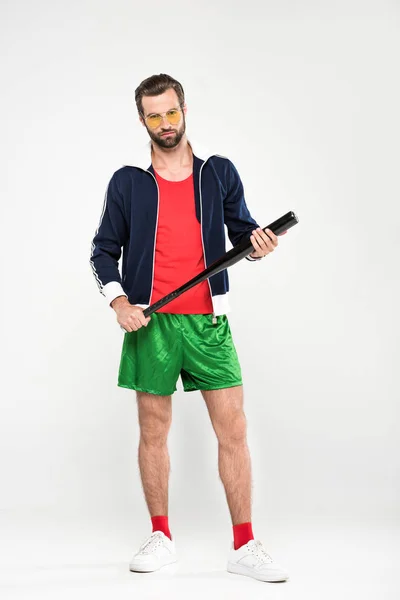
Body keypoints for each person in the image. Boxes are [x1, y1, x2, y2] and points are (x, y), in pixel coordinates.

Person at [89, 73, 289, 583]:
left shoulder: (217, 174)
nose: (165, 123)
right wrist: (118, 303)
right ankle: (161, 535)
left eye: (171, 112)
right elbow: (102, 251)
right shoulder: (127, 183)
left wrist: (261, 244)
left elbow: (245, 234)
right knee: (153, 430)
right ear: (142, 121)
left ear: (184, 110)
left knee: (234, 430)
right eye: (154, 115)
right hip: (152, 323)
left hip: (208, 324)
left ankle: (244, 545)